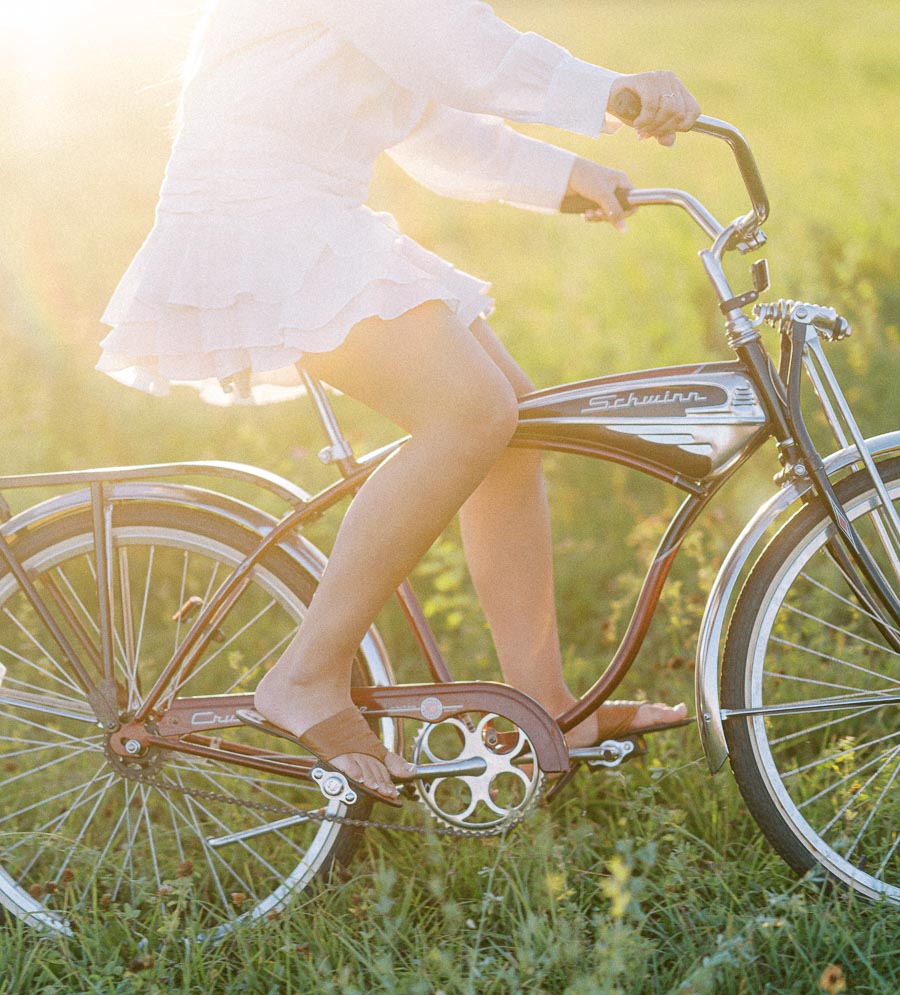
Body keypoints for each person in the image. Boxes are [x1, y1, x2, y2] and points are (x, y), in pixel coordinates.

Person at [97, 0, 699, 804]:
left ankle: (544, 702)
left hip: (314, 217)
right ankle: (307, 675)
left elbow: (431, 120)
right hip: (264, 222)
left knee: (514, 426)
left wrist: (566, 178)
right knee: (471, 413)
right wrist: (614, 91)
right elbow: (460, 52)